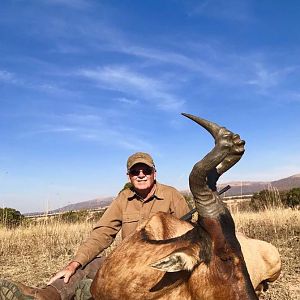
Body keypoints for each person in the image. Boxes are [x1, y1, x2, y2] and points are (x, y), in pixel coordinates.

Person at [0, 152, 190, 300]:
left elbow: (190, 234)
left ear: (154, 173)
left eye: (146, 171)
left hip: (163, 264)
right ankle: (47, 295)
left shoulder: (172, 195)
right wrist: (74, 263)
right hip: (127, 262)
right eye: (135, 172)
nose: (141, 175)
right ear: (129, 176)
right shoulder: (123, 198)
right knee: (87, 264)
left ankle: (93, 294)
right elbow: (103, 232)